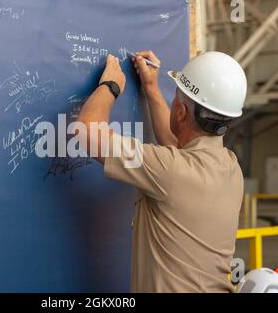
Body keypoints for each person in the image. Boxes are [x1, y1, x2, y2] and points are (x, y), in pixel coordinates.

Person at [77, 51, 248, 292]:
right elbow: (176, 149)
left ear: (181, 112)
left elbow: (86, 131)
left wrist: (112, 84)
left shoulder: (170, 170)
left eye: (176, 98)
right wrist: (151, 88)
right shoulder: (230, 168)